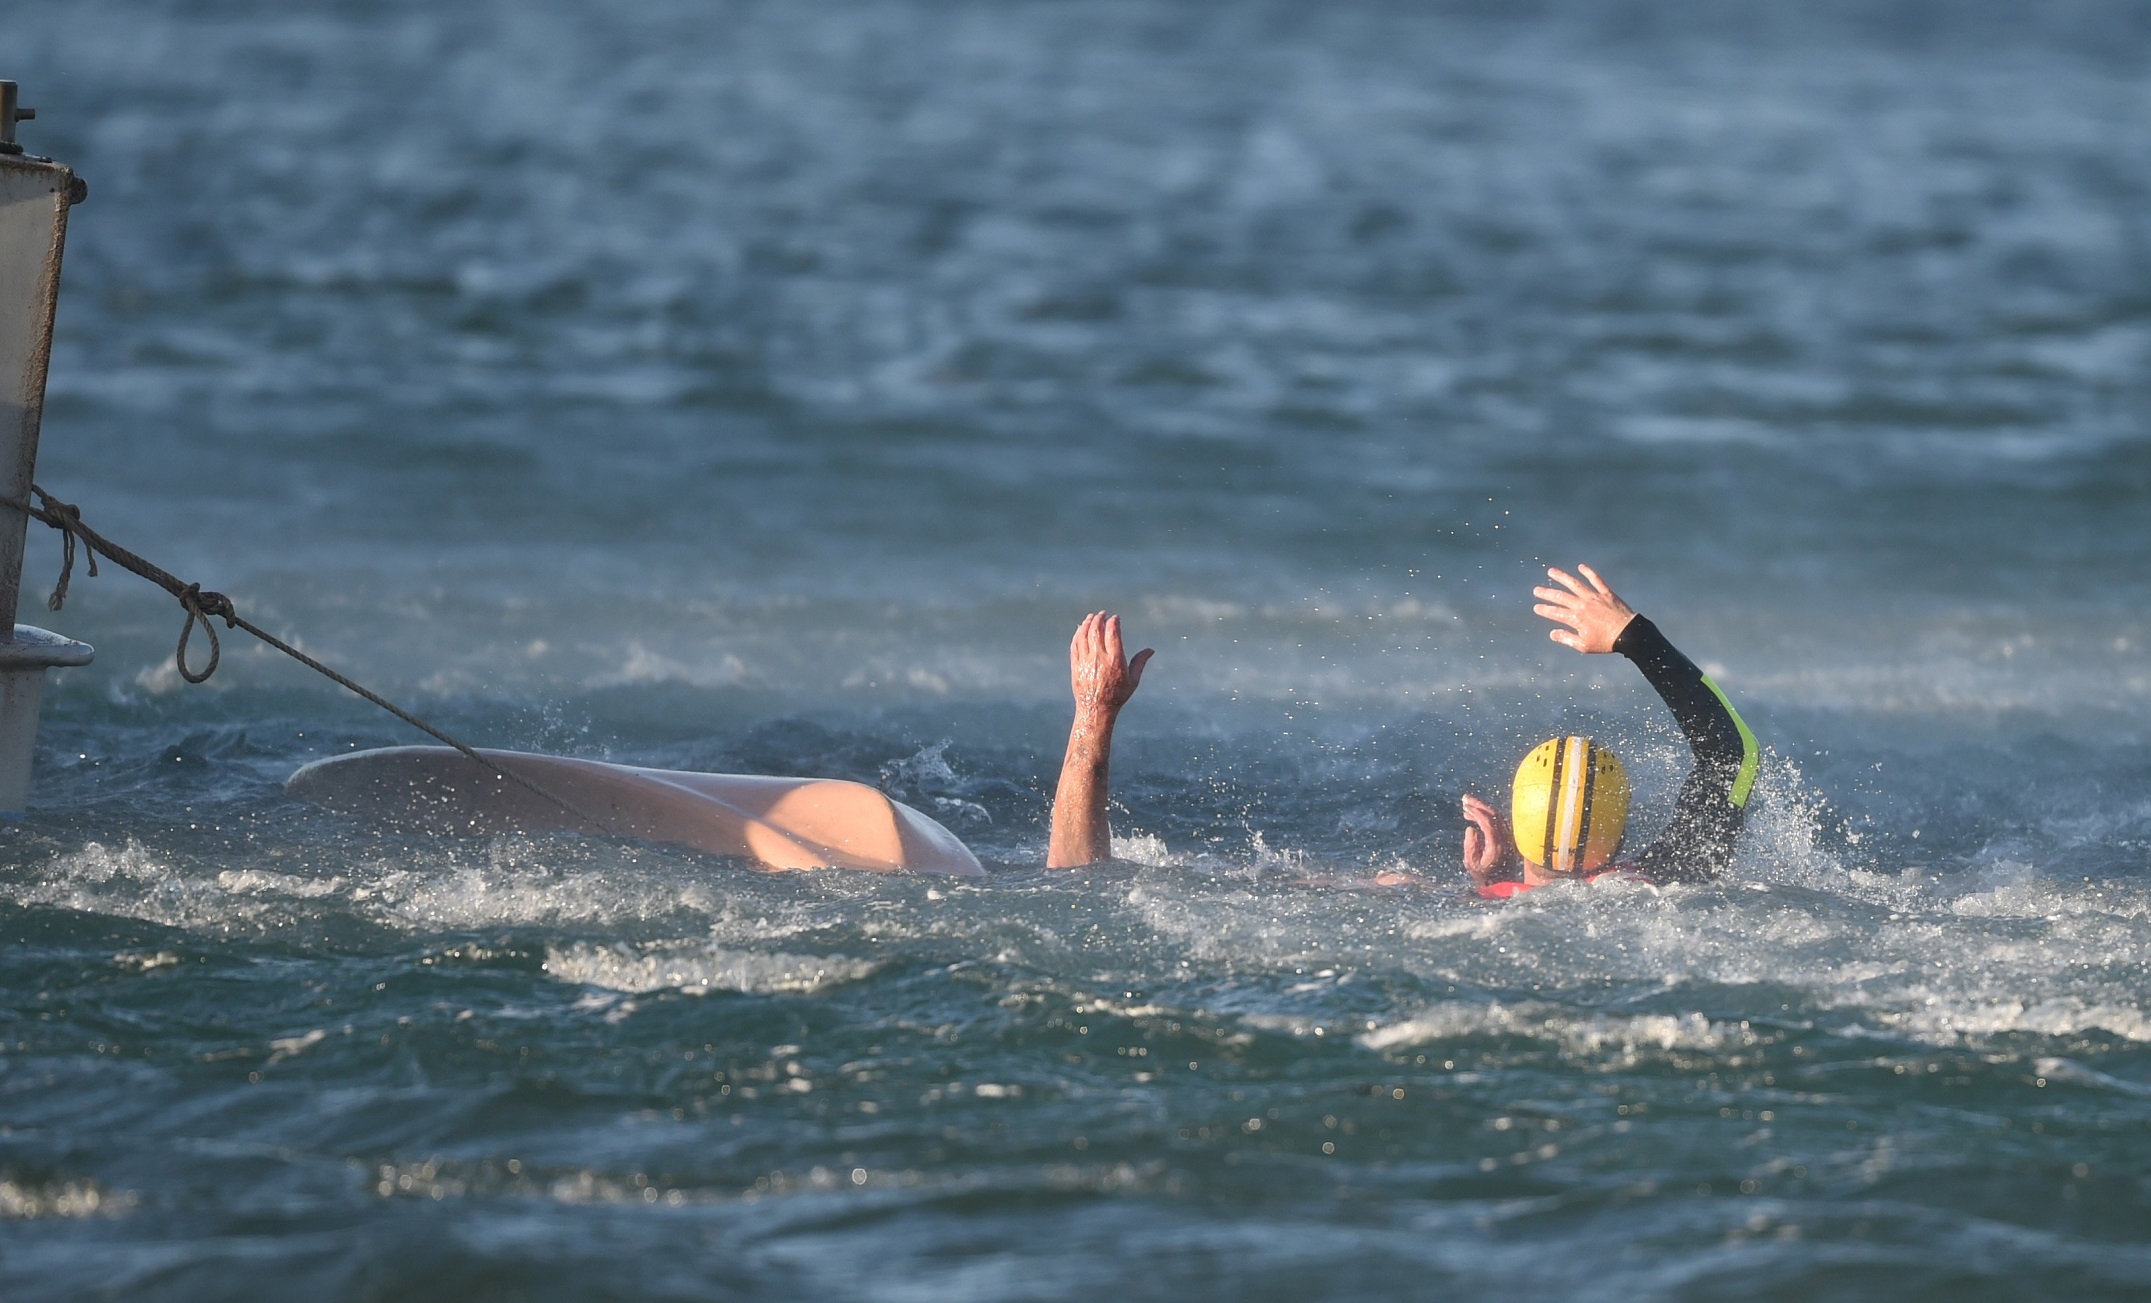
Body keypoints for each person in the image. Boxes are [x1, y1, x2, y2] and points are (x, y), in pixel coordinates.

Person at [1458, 564, 1758, 896]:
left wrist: (1488, 882)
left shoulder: (1477, 905)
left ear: (1515, 829)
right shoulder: (1669, 878)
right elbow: (1732, 753)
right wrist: (1635, 637)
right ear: (1619, 835)